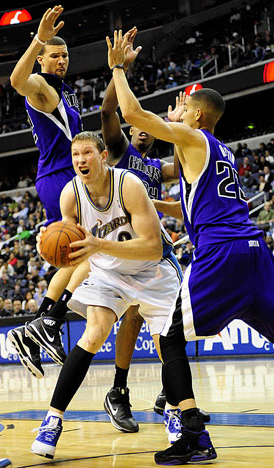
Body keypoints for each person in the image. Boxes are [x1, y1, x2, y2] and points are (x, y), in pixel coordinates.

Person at [106, 29, 274, 465]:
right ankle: (193, 433)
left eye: (183, 107)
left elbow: (131, 113)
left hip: (221, 255)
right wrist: (148, 202)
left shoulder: (193, 138)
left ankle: (194, 436)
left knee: (170, 338)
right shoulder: (218, 151)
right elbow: (191, 205)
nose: (176, 111)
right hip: (256, 253)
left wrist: (119, 68)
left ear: (197, 117)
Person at [30, 131, 181, 459]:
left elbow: (153, 246)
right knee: (94, 333)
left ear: (103, 157)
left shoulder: (128, 185)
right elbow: (69, 245)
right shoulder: (70, 195)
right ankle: (52, 420)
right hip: (108, 272)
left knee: (165, 344)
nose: (81, 160)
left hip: (152, 269)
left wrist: (99, 244)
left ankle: (174, 411)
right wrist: (50, 241)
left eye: (87, 153)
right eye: (75, 155)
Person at [100, 28, 183, 431]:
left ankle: (171, 388)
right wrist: (117, 71)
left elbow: (181, 169)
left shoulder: (156, 167)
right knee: (131, 315)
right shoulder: (121, 152)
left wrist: (177, 128)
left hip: (153, 244)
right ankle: (118, 389)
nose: (144, 130)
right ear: (132, 133)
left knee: (172, 312)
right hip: (121, 241)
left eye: (151, 127)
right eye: (139, 127)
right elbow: (106, 115)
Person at [8, 5, 87, 378]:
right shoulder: (40, 87)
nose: (62, 60)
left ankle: (35, 328)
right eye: (55, 55)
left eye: (65, 55)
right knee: (93, 250)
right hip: (59, 177)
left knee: (76, 259)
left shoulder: (66, 91)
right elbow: (16, 80)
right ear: (41, 59)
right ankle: (51, 321)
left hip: (66, 177)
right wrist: (38, 38)